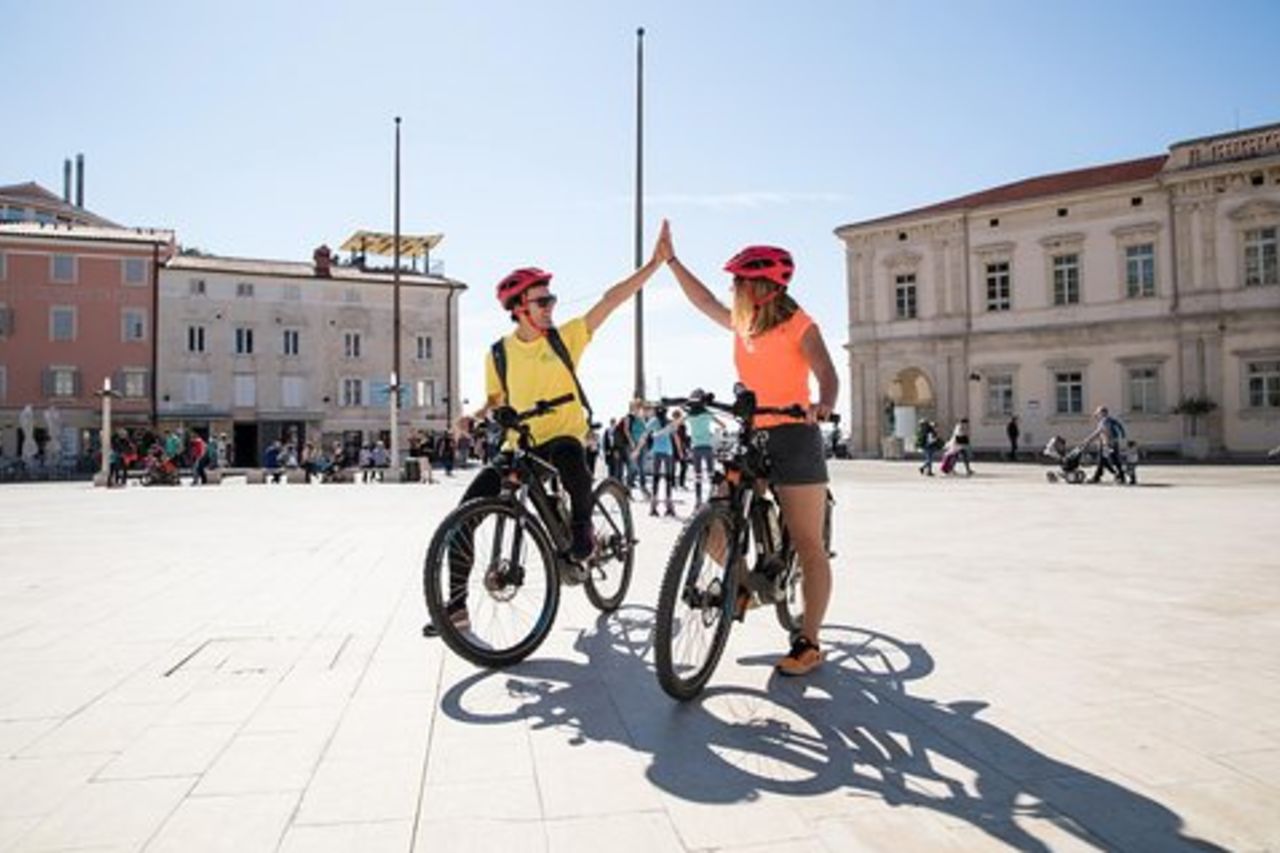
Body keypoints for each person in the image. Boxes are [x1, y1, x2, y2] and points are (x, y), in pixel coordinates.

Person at [423, 220, 671, 638]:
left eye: (551, 299)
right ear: (519, 308)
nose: (551, 305)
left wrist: (653, 265)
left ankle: (583, 534)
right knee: (462, 520)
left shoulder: (564, 338)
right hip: (519, 443)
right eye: (542, 301)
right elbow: (497, 401)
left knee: (572, 460)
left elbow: (611, 301)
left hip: (563, 436)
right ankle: (456, 607)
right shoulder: (498, 353)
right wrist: (475, 416)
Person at [665, 230, 838, 677]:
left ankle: (809, 640)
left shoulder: (800, 324)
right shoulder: (744, 322)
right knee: (715, 520)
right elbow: (702, 301)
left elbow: (826, 373)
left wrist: (824, 404)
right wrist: (672, 262)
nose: (731, 291)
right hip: (752, 433)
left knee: (808, 543)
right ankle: (740, 585)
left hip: (796, 435)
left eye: (738, 283)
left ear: (759, 288)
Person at [686, 389, 727, 504]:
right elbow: (723, 425)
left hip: (696, 448)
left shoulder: (690, 415)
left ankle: (698, 501)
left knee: (697, 476)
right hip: (707, 447)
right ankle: (712, 497)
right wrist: (714, 433)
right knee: (711, 474)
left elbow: (676, 424)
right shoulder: (707, 414)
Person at [637, 405, 677, 517]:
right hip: (668, 452)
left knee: (656, 479)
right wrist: (680, 451)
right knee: (669, 479)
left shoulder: (653, 421)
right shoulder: (669, 421)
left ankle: (653, 507)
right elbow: (675, 436)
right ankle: (669, 507)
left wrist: (637, 450)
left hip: (657, 452)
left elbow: (644, 434)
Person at [1084, 406, 1127, 483]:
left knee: (1110, 460)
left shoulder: (1104, 421)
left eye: (1098, 413)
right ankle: (1117, 475)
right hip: (1112, 443)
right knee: (1105, 461)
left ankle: (1117, 476)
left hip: (1107, 444)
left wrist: (1089, 440)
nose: (1097, 415)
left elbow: (1101, 432)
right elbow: (1100, 432)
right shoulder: (1109, 420)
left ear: (1103, 413)